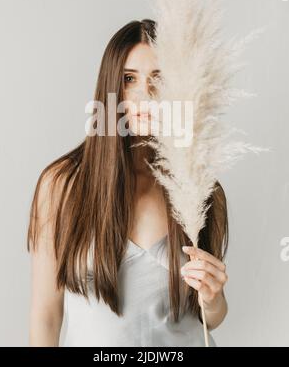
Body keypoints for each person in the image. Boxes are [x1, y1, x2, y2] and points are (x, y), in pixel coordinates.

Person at [27, 19, 228, 347]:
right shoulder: (61, 186)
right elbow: (45, 316)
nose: (144, 96)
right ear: (110, 87)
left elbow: (211, 316)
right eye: (129, 79)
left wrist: (214, 298)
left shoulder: (198, 186)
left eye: (158, 79)